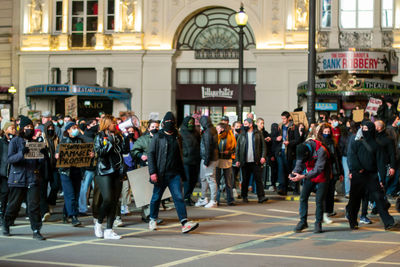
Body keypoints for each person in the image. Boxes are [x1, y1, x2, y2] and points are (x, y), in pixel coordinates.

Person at [147, 112, 199, 233]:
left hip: (175, 174)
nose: (170, 125)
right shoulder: (158, 137)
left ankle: (184, 222)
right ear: (164, 123)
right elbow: (151, 154)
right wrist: (153, 172)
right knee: (156, 197)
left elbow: (179, 154)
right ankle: (152, 219)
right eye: (168, 122)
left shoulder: (177, 136)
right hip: (161, 173)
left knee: (179, 197)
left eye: (172, 123)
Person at [347, 121, 399, 230]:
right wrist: (357, 169)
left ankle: (388, 223)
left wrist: (382, 179)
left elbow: (381, 163)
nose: (365, 130)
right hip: (359, 175)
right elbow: (352, 157)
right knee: (354, 200)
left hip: (372, 176)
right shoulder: (356, 143)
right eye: (363, 128)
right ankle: (352, 221)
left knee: (379, 199)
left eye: (367, 128)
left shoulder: (377, 145)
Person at [2, 116, 46, 240]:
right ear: (21, 128)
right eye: (26, 127)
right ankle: (6, 223)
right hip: (18, 179)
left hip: (32, 178)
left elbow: (39, 162)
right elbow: (10, 159)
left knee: (34, 206)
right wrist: (22, 153)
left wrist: (43, 155)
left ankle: (36, 230)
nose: (29, 129)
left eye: (31, 127)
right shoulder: (15, 141)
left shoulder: (35, 143)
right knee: (14, 205)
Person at [93, 115, 128, 239]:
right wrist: (110, 143)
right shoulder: (100, 136)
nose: (115, 124)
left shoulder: (118, 136)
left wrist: (126, 138)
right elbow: (100, 153)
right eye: (113, 123)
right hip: (104, 171)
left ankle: (109, 229)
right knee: (107, 198)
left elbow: (124, 151)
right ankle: (98, 223)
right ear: (107, 124)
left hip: (117, 170)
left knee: (114, 201)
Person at [57, 122, 92, 227]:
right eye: (73, 128)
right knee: (70, 194)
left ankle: (65, 213)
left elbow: (90, 142)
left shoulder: (80, 141)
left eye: (76, 127)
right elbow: (57, 152)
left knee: (75, 195)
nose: (75, 129)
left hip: (77, 171)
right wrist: (57, 155)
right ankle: (73, 216)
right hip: (66, 172)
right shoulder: (63, 142)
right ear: (68, 130)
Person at [291, 139, 329, 233]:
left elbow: (318, 169)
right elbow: (299, 163)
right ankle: (303, 221)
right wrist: (294, 173)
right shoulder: (302, 148)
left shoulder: (321, 150)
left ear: (308, 153)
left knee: (319, 200)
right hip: (310, 175)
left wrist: (303, 176)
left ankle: (318, 223)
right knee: (303, 197)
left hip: (322, 175)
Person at [131, 120, 162, 222]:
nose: (155, 128)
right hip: (146, 167)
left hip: (159, 168)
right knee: (146, 193)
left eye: (157, 126)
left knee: (156, 194)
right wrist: (141, 155)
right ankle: (148, 215)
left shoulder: (162, 138)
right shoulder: (143, 139)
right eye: (152, 126)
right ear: (148, 128)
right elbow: (134, 150)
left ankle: (151, 215)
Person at [235, 118, 268, 203]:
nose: (244, 126)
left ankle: (261, 197)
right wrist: (237, 160)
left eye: (246, 124)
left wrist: (263, 157)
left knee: (258, 180)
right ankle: (244, 196)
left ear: (251, 124)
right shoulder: (241, 135)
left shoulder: (258, 134)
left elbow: (264, 146)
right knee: (245, 180)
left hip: (256, 161)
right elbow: (237, 148)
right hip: (244, 161)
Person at [317, 124, 343, 224]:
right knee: (322, 194)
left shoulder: (333, 142)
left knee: (330, 193)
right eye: (325, 132)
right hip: (322, 171)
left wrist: (340, 172)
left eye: (328, 132)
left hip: (332, 171)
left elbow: (337, 158)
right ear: (321, 133)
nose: (327, 134)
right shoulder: (319, 143)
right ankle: (321, 214)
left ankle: (327, 212)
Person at [195, 116, 218, 208]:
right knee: (204, 178)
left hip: (209, 159)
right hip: (208, 158)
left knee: (210, 179)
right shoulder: (211, 130)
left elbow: (208, 147)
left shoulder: (208, 132)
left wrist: (206, 161)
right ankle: (203, 198)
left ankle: (213, 201)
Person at [276, 111, 301, 195]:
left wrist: (289, 142)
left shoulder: (294, 127)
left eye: (284, 118)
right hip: (281, 151)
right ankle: (283, 189)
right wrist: (277, 138)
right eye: (282, 118)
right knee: (282, 170)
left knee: (291, 170)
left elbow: (298, 140)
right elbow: (275, 137)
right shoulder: (280, 127)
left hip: (290, 152)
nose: (283, 120)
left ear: (288, 118)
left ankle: (294, 188)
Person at [179, 116, 200, 206]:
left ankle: (189, 195)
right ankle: (186, 197)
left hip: (195, 159)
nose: (191, 124)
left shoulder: (196, 132)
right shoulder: (181, 133)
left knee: (194, 180)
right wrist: (185, 154)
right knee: (187, 180)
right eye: (189, 123)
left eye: (192, 123)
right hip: (186, 161)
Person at [215, 123, 236, 206]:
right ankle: (216, 200)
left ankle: (230, 200)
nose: (217, 130)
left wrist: (229, 152)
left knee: (228, 182)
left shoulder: (230, 136)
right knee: (216, 182)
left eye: (218, 128)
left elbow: (234, 149)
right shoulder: (216, 136)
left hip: (227, 160)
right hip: (218, 160)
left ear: (222, 129)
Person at [0, 121, 16, 226]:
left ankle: (8, 217)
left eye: (15, 128)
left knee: (12, 196)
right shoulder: (1, 143)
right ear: (6, 130)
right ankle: (2, 215)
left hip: (14, 173)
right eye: (11, 128)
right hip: (3, 173)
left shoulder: (16, 141)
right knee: (4, 194)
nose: (14, 130)